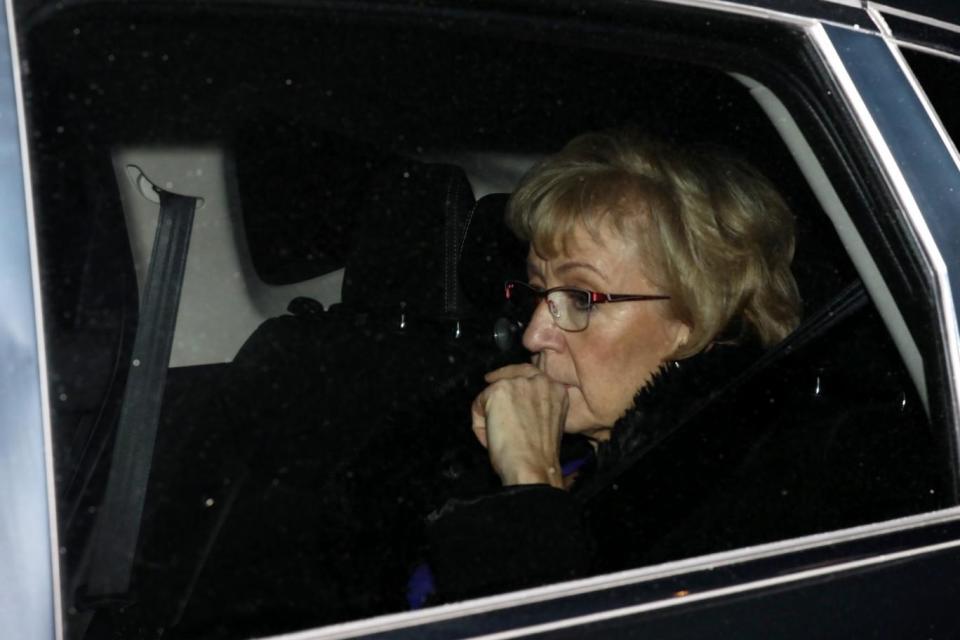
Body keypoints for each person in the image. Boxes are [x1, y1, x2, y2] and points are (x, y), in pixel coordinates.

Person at [423, 128, 803, 601]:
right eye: (537, 292)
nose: (533, 335)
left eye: (581, 298)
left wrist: (530, 488)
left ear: (698, 318)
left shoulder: (752, 507)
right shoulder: (580, 460)